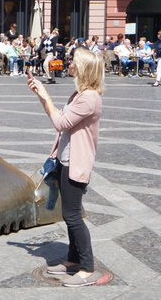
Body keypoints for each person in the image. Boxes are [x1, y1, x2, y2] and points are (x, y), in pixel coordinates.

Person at [27, 47, 104, 288]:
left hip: (76, 163)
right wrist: (41, 96)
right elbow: (60, 118)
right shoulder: (78, 95)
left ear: (83, 68)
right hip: (64, 161)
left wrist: (46, 95)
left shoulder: (90, 98)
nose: (68, 64)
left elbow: (60, 123)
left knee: (73, 217)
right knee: (68, 214)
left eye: (73, 62)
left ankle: (87, 268)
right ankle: (73, 260)